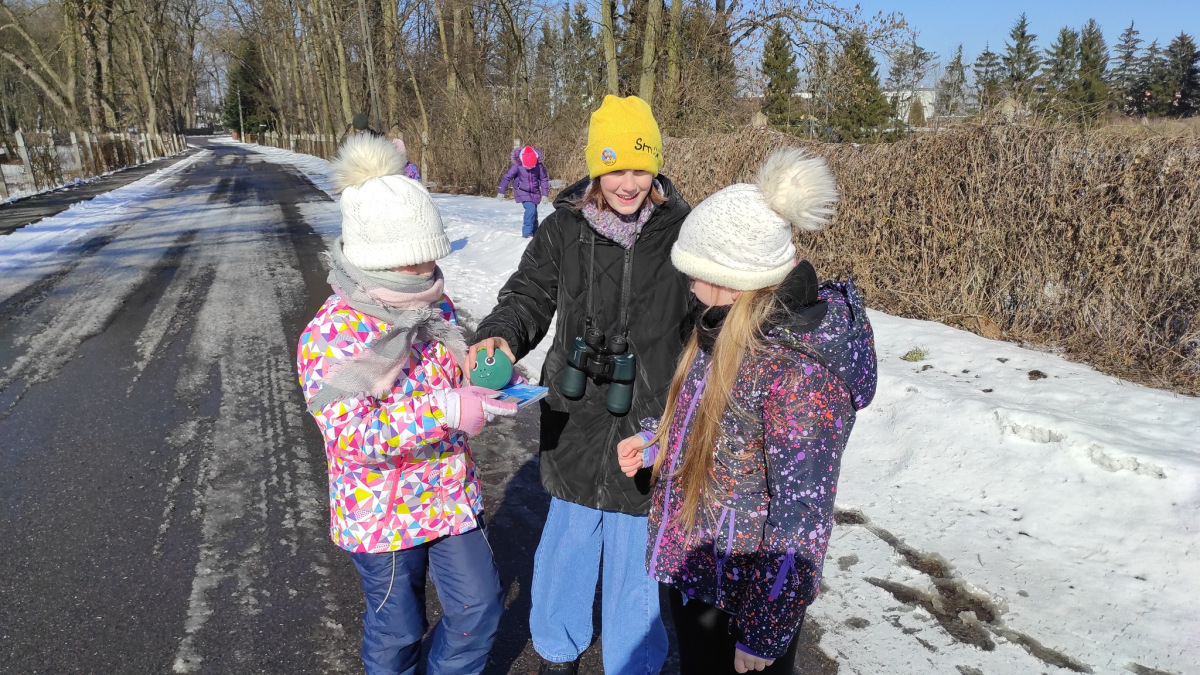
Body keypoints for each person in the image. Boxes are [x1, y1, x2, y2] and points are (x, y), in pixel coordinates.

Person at [615, 148, 878, 674]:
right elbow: (714, 424)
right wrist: (658, 441)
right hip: (701, 571)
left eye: (696, 273)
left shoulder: (797, 373)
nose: (689, 285)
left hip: (744, 600)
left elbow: (801, 515)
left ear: (733, 277)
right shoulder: (723, 327)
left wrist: (765, 631)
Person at [469, 95, 692, 675]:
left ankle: (633, 660)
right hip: (575, 410)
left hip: (649, 413)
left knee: (635, 549)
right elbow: (528, 295)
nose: (628, 183)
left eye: (640, 168)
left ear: (656, 166)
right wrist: (500, 335)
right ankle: (557, 649)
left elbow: (708, 317)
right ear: (596, 168)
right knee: (568, 535)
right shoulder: (563, 228)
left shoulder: (684, 233)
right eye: (615, 168)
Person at [297, 134, 511, 675]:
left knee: (479, 608)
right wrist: (445, 409)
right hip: (382, 509)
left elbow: (451, 375)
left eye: (430, 255)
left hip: (449, 495)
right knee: (397, 631)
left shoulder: (433, 306)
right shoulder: (331, 335)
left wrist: (480, 380)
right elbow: (351, 436)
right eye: (414, 260)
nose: (427, 270)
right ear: (378, 259)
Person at [496, 145, 550, 238]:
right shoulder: (517, 165)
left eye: (532, 166)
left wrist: (545, 194)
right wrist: (501, 191)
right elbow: (507, 177)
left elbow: (544, 179)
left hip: (535, 192)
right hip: (521, 190)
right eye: (528, 167)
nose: (530, 168)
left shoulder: (539, 166)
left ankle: (535, 232)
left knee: (534, 212)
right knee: (531, 210)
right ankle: (527, 234)